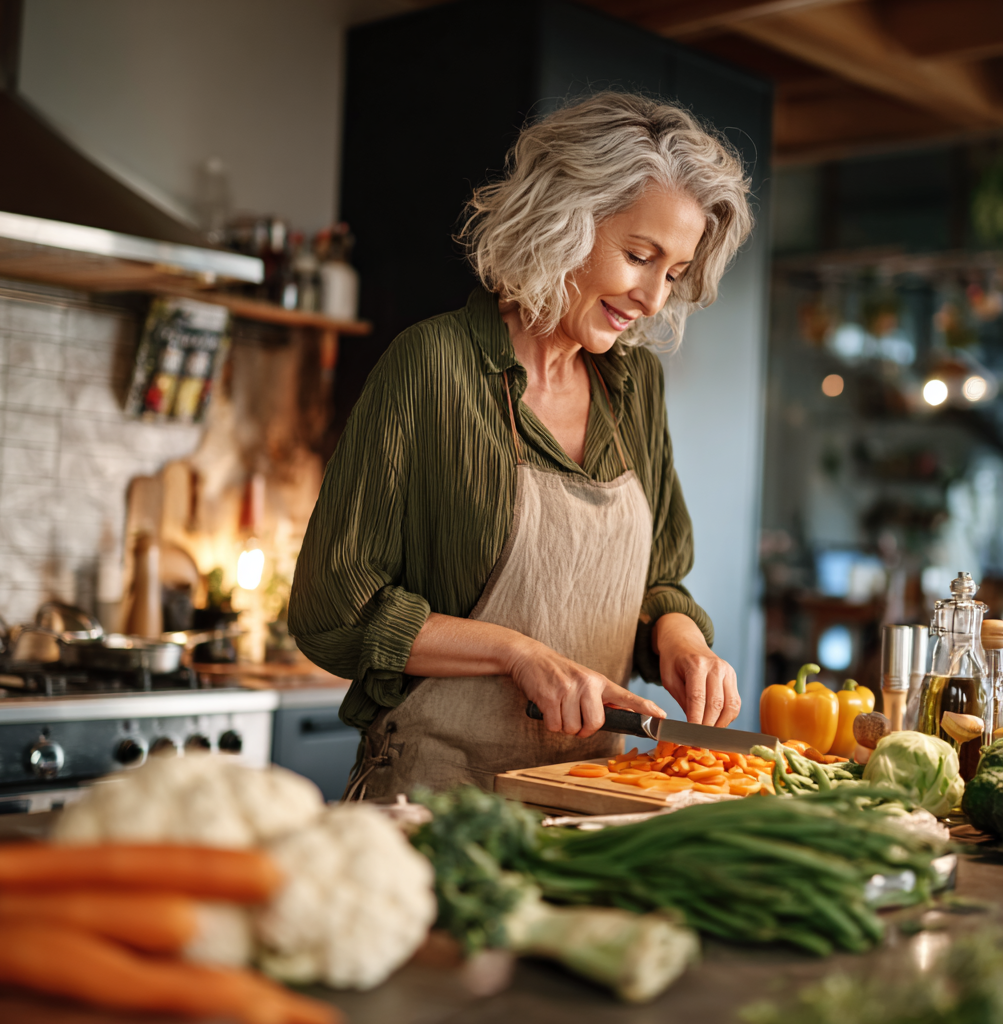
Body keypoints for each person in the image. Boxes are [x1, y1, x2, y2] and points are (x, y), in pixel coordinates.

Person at [288, 92, 754, 798]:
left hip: (590, 797)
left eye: (675, 272)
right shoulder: (432, 364)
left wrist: (680, 638)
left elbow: (659, 581)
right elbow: (334, 612)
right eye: (638, 255)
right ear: (563, 223)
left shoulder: (636, 389)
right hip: (431, 798)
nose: (655, 298)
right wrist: (516, 654)